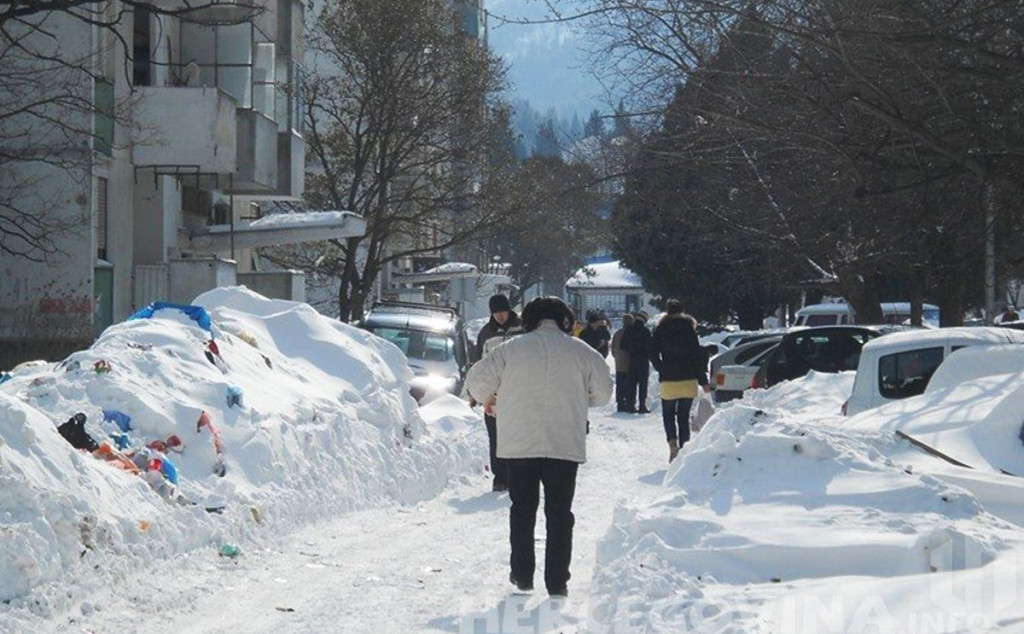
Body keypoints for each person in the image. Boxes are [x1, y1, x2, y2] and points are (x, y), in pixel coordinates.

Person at [465, 296, 613, 599]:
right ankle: (557, 581)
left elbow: (477, 381)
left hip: (520, 443)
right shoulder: (582, 352)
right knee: (560, 512)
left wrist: (492, 397)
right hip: (563, 442)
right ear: (565, 320)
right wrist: (580, 399)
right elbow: (603, 393)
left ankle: (522, 576)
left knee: (522, 509)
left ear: (530, 319)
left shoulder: (509, 350)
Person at [651, 300, 711, 462]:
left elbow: (653, 353)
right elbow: (697, 356)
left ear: (666, 312)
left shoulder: (660, 329)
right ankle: (684, 448)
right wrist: (703, 381)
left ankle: (672, 444)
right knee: (683, 416)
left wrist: (661, 368)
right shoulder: (689, 330)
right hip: (688, 378)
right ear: (683, 312)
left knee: (668, 414)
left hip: (668, 379)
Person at [474, 294, 523, 492]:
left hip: (520, 390)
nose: (500, 316)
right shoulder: (486, 333)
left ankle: (517, 474)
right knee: (495, 434)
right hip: (494, 393)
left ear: (509, 310)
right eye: (495, 313)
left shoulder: (522, 329)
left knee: (517, 433)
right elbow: (479, 364)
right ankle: (500, 476)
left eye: (502, 311)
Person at [620, 310, 652, 414]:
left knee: (631, 383)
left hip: (632, 359)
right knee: (643, 384)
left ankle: (630, 405)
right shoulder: (646, 331)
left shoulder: (629, 329)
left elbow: (622, 345)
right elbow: (650, 346)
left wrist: (631, 349)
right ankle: (642, 406)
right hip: (643, 360)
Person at [610, 314, 634, 412]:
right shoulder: (632, 333)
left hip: (619, 364)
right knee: (629, 384)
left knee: (620, 384)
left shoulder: (617, 333)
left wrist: (617, 357)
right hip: (630, 363)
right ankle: (629, 403)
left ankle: (620, 403)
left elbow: (613, 349)